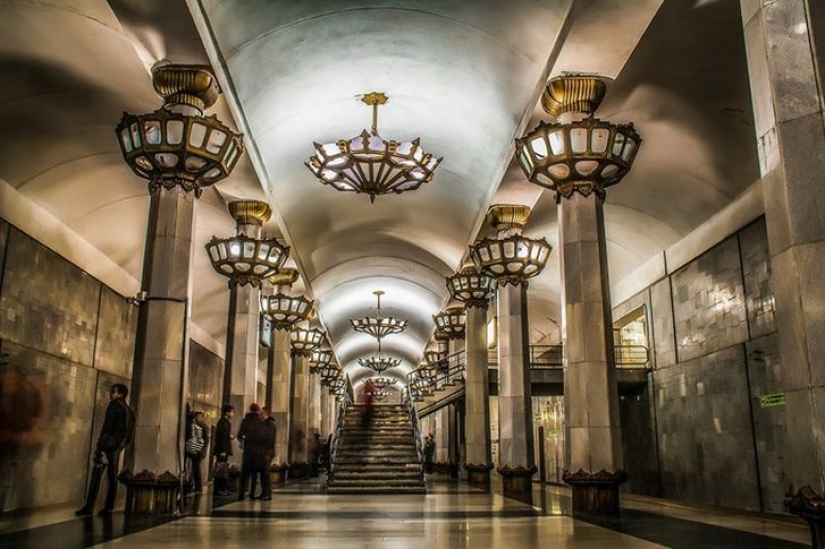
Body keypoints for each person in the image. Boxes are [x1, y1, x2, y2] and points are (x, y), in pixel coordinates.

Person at [75, 383, 135, 516]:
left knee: (96, 474)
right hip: (117, 448)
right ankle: (109, 507)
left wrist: (100, 447)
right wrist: (120, 447)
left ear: (120, 394)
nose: (111, 394)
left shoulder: (114, 406)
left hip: (107, 447)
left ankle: (89, 506)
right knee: (112, 476)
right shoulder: (130, 411)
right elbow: (128, 435)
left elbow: (107, 428)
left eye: (113, 391)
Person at [237, 403, 261, 500]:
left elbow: (239, 435)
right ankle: (252, 493)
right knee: (254, 473)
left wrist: (244, 441)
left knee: (244, 473)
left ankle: (241, 493)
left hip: (247, 449)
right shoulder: (259, 421)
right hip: (257, 450)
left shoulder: (245, 420)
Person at [253, 406, 277, 500]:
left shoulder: (270, 424)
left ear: (265, 414)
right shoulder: (263, 424)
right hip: (263, 452)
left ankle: (267, 493)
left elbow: (269, 439)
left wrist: (266, 452)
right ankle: (264, 493)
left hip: (267, 452)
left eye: (261, 413)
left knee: (265, 473)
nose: (259, 415)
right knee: (263, 473)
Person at [212, 404, 235, 496]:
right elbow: (221, 437)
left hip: (223, 449)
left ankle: (221, 488)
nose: (233, 414)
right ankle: (220, 489)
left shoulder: (224, 422)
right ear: (227, 412)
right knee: (221, 469)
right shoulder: (223, 422)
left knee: (222, 468)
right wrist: (223, 450)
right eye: (232, 412)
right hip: (222, 450)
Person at [184, 411, 209, 493]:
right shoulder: (203, 425)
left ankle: (197, 486)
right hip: (198, 450)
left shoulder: (199, 426)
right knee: (195, 467)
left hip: (197, 450)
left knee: (196, 468)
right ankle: (195, 485)